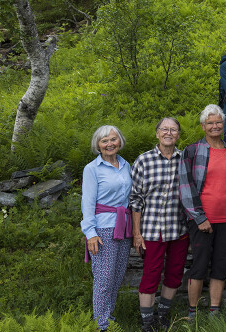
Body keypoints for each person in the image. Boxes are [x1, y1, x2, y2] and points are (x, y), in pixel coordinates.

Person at [178, 105, 226, 318]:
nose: (215, 126)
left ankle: (214, 310)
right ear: (203, 126)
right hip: (202, 220)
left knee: (221, 263)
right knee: (199, 264)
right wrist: (199, 218)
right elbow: (185, 186)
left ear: (223, 125)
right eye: (210, 123)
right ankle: (193, 311)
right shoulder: (192, 151)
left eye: (218, 122)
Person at [130, 118, 189, 331]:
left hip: (178, 229)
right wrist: (137, 234)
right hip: (151, 230)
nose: (169, 133)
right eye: (164, 129)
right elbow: (135, 199)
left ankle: (163, 315)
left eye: (173, 130)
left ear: (178, 135)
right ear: (157, 134)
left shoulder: (185, 160)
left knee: (175, 273)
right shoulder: (143, 161)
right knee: (151, 275)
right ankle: (147, 323)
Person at [81, 125, 132, 332]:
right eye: (104, 141)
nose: (109, 144)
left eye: (113, 139)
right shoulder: (92, 169)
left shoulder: (126, 164)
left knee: (117, 277)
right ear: (98, 145)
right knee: (103, 280)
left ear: (119, 141)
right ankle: (101, 325)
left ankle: (108, 319)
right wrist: (90, 233)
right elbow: (87, 202)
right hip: (102, 230)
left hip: (123, 227)